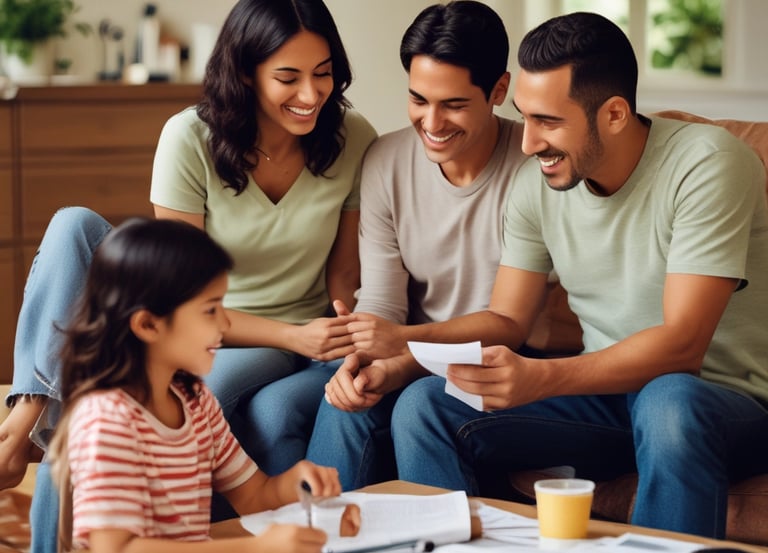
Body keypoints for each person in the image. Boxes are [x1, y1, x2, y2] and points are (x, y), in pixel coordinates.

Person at [0, 0, 375, 550]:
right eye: (287, 78)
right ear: (246, 74)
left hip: (291, 332)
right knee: (74, 226)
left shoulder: (352, 136)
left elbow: (344, 272)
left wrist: (347, 335)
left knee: (197, 389)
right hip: (201, 317)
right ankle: (32, 410)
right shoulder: (189, 137)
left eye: (323, 74)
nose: (311, 94)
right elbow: (179, 286)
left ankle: (36, 427)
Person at [386, 11, 768, 539]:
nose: (527, 143)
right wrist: (404, 347)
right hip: (610, 399)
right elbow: (506, 319)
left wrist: (541, 377)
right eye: (526, 116)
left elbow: (683, 345)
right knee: (426, 405)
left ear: (613, 114)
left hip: (719, 405)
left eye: (548, 121)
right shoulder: (535, 189)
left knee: (668, 400)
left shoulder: (708, 164)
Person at [304, 0, 528, 490]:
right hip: (414, 354)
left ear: (499, 91)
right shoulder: (385, 160)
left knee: (418, 402)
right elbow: (382, 302)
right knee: (345, 401)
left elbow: (520, 325)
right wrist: (359, 361)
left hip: (498, 361)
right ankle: (315, 539)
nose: (431, 122)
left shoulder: (533, 166)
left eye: (453, 104)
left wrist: (403, 352)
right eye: (419, 99)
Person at [46, 217, 340, 552]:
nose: (226, 323)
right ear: (148, 325)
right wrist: (254, 549)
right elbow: (118, 548)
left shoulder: (195, 401)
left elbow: (254, 496)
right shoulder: (107, 419)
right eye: (210, 310)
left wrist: (293, 483)